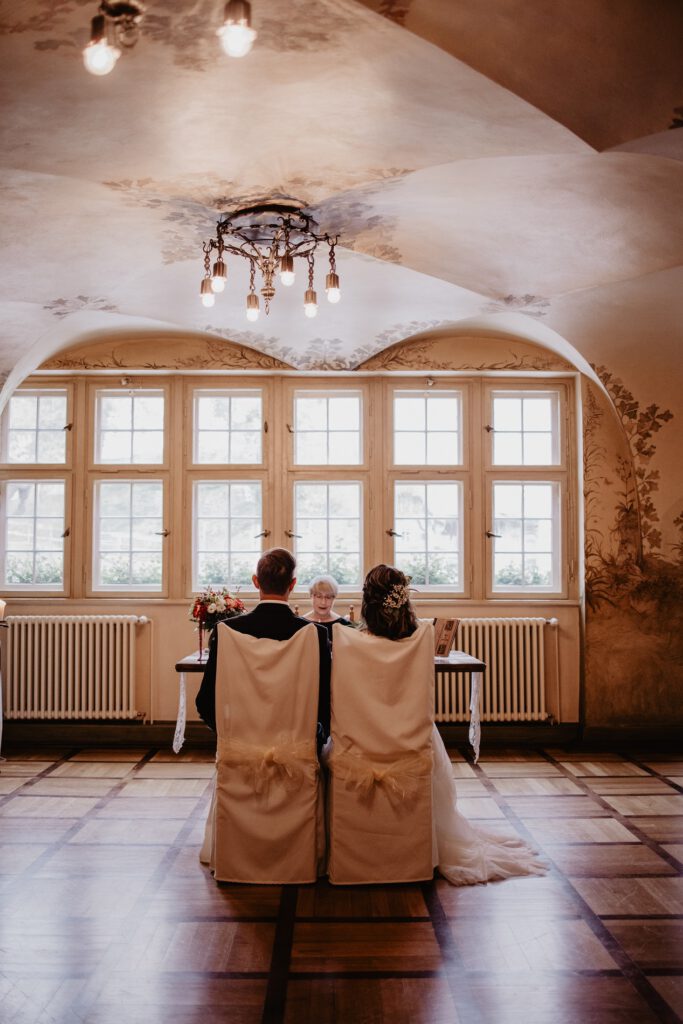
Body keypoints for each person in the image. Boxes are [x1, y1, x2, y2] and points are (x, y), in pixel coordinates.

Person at [345, 563, 546, 886]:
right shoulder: (421, 638)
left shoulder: (351, 641)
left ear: (367, 601)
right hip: (411, 738)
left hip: (363, 742)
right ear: (402, 600)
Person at [195, 548, 331, 747]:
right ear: (292, 584)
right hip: (296, 752)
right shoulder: (315, 634)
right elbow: (326, 701)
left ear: (255, 581)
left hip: (240, 750)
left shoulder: (226, 631)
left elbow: (205, 703)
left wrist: (232, 736)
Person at [303, 574, 355, 643]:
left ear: (334, 598)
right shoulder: (301, 623)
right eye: (319, 596)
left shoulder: (344, 624)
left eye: (328, 597)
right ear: (311, 596)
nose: (323, 602)